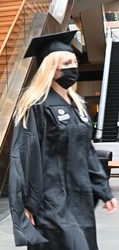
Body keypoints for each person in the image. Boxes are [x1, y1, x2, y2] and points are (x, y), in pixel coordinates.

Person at [8, 31, 117, 249]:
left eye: (75, 62)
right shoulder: (36, 106)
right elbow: (23, 157)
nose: (73, 68)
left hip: (80, 197)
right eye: (67, 63)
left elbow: (87, 152)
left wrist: (103, 190)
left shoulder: (78, 106)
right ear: (52, 69)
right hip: (51, 201)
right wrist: (25, 205)